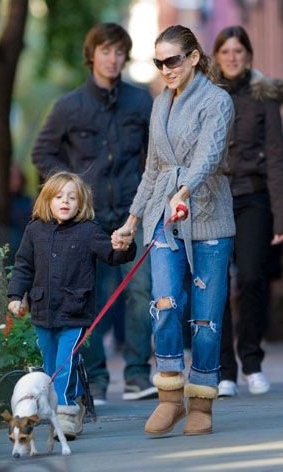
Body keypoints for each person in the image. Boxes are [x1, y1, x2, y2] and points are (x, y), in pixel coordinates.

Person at [113, 24, 235, 436]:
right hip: (162, 219)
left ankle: (201, 401)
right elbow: (153, 169)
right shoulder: (159, 102)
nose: (165, 69)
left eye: (173, 60)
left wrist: (183, 192)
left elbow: (208, 157)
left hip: (208, 216)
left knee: (205, 319)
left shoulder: (218, 101)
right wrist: (132, 221)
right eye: (158, 62)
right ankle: (169, 396)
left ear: (194, 58)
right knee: (164, 304)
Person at [32, 22, 155, 404]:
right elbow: (41, 153)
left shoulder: (141, 102)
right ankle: (96, 380)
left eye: (119, 51)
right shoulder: (69, 106)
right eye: (105, 50)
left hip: (135, 212)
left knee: (141, 291)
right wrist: (70, 190)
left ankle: (137, 375)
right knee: (92, 298)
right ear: (92, 56)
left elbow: (156, 152)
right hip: (89, 220)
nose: (113, 58)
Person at [7, 171, 136, 440]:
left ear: (81, 203)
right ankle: (74, 401)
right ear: (47, 200)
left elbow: (113, 254)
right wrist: (16, 297)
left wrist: (124, 246)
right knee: (50, 363)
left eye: (72, 197)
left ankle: (64, 414)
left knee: (65, 363)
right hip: (42, 311)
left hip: (75, 311)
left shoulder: (88, 231)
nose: (65, 201)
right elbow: (23, 266)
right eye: (59, 196)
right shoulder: (34, 230)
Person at [212, 26, 283, 397]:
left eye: (239, 50)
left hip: (254, 198)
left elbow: (276, 156)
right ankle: (225, 371)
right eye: (226, 51)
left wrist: (280, 215)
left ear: (248, 55)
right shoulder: (204, 95)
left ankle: (252, 362)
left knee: (253, 277)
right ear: (216, 56)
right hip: (214, 198)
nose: (233, 57)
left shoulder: (265, 96)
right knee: (217, 283)